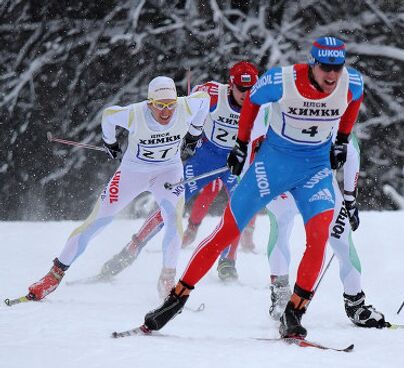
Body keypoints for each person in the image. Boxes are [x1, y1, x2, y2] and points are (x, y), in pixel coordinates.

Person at [140, 36, 364, 339]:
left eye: (337, 68)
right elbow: (252, 104)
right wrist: (242, 145)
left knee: (319, 237)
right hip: (272, 167)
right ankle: (176, 299)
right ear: (313, 63)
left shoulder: (352, 82)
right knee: (227, 232)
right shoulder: (281, 80)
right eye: (325, 67)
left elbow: (353, 105)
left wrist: (341, 139)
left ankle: (294, 313)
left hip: (314, 170)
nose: (331, 75)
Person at [26, 76, 210, 301]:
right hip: (132, 173)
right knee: (97, 221)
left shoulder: (185, 106)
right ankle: (53, 277)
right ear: (150, 103)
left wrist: (195, 132)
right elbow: (109, 115)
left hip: (168, 171)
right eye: (160, 105)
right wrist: (109, 142)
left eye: (170, 105)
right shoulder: (135, 113)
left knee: (174, 219)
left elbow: (203, 98)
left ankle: (167, 280)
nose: (166, 111)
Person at [93, 62, 259, 289]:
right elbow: (182, 109)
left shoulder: (261, 102)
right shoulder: (212, 93)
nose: (246, 95)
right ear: (231, 85)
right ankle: (132, 248)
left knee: (239, 209)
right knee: (170, 205)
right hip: (204, 158)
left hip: (233, 162)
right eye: (242, 88)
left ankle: (228, 261)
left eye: (251, 89)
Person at [265, 133, 386, 328]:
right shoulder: (282, 105)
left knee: (342, 241)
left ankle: (355, 303)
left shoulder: (336, 113)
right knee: (280, 230)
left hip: (320, 185)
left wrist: (349, 199)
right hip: (283, 182)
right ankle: (280, 293)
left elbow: (352, 152)